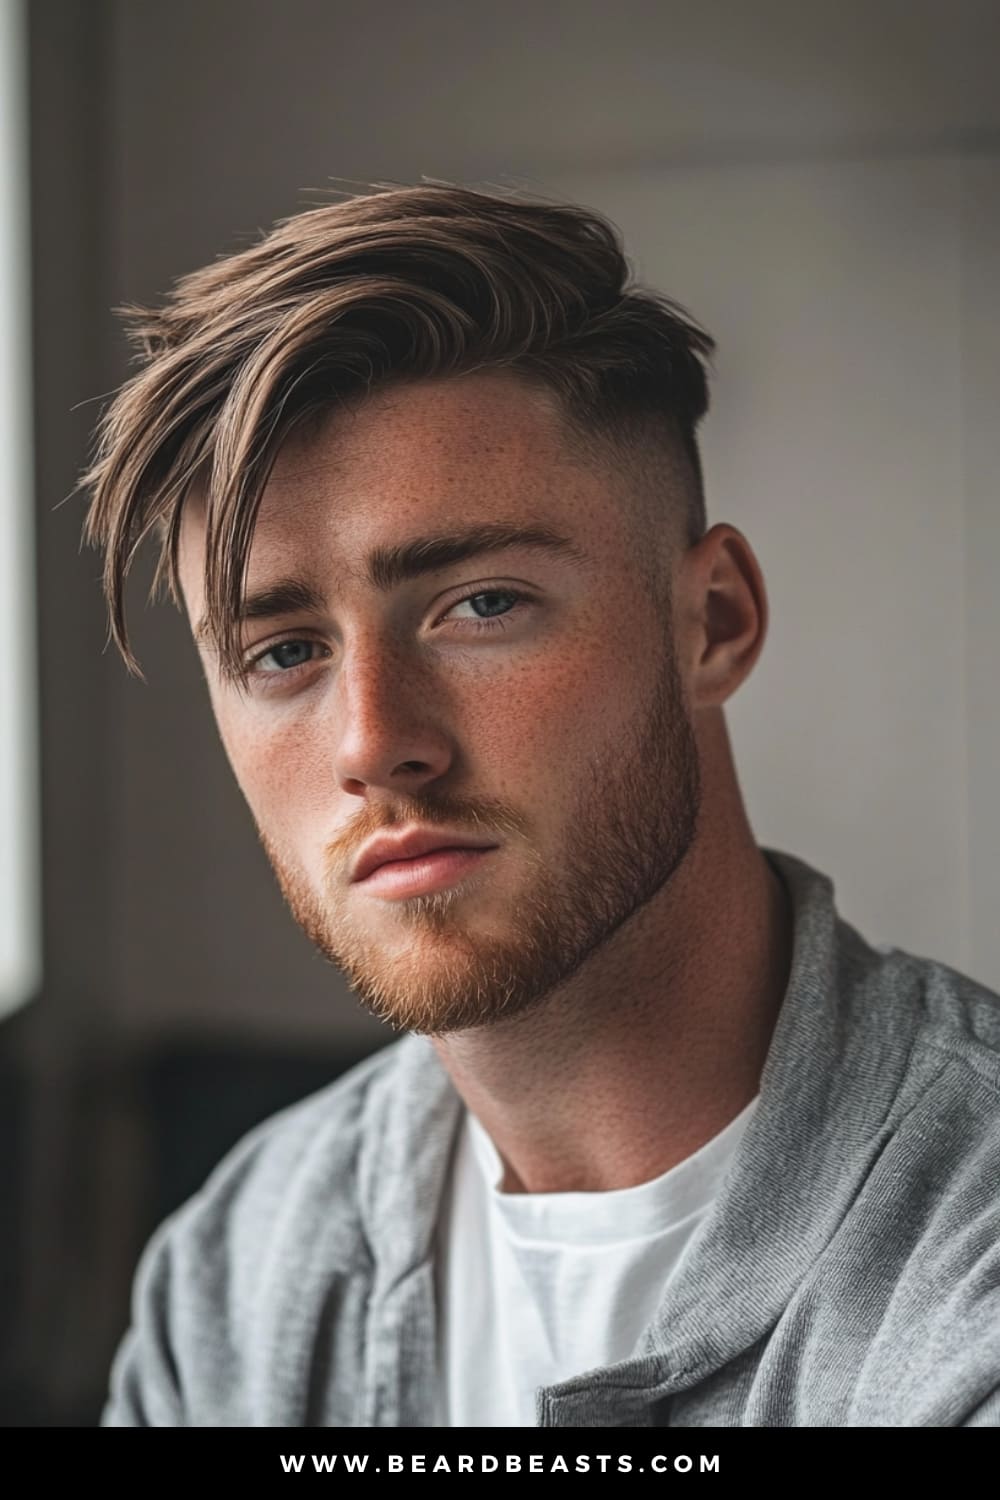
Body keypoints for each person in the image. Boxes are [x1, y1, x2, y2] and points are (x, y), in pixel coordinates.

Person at [82, 183, 1000, 1428]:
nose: (372, 744)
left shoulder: (964, 1272)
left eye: (482, 604)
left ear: (712, 622)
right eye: (283, 653)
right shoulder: (235, 1275)